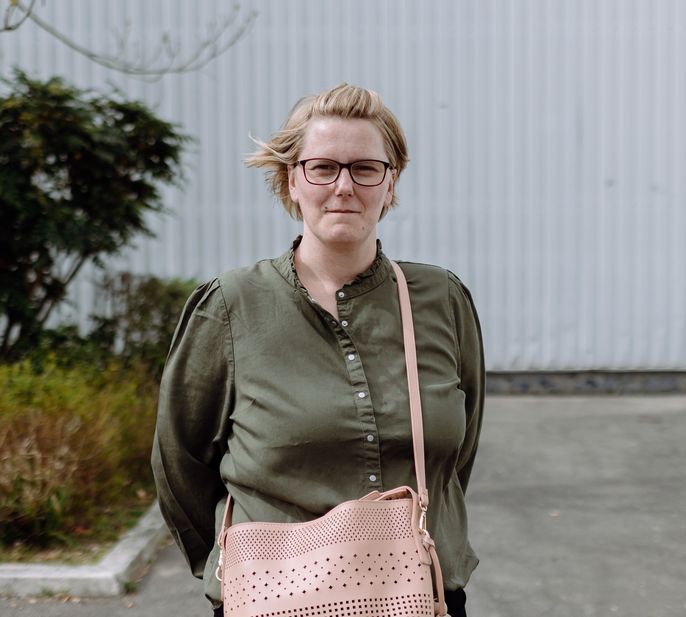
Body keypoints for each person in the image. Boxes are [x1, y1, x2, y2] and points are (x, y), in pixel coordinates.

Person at [151, 83, 485, 617]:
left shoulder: (440, 299)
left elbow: (453, 460)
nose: (344, 186)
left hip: (423, 598)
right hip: (272, 600)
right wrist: (226, 565)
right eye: (323, 167)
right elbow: (179, 461)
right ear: (292, 180)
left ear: (390, 180)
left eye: (365, 168)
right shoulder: (232, 305)